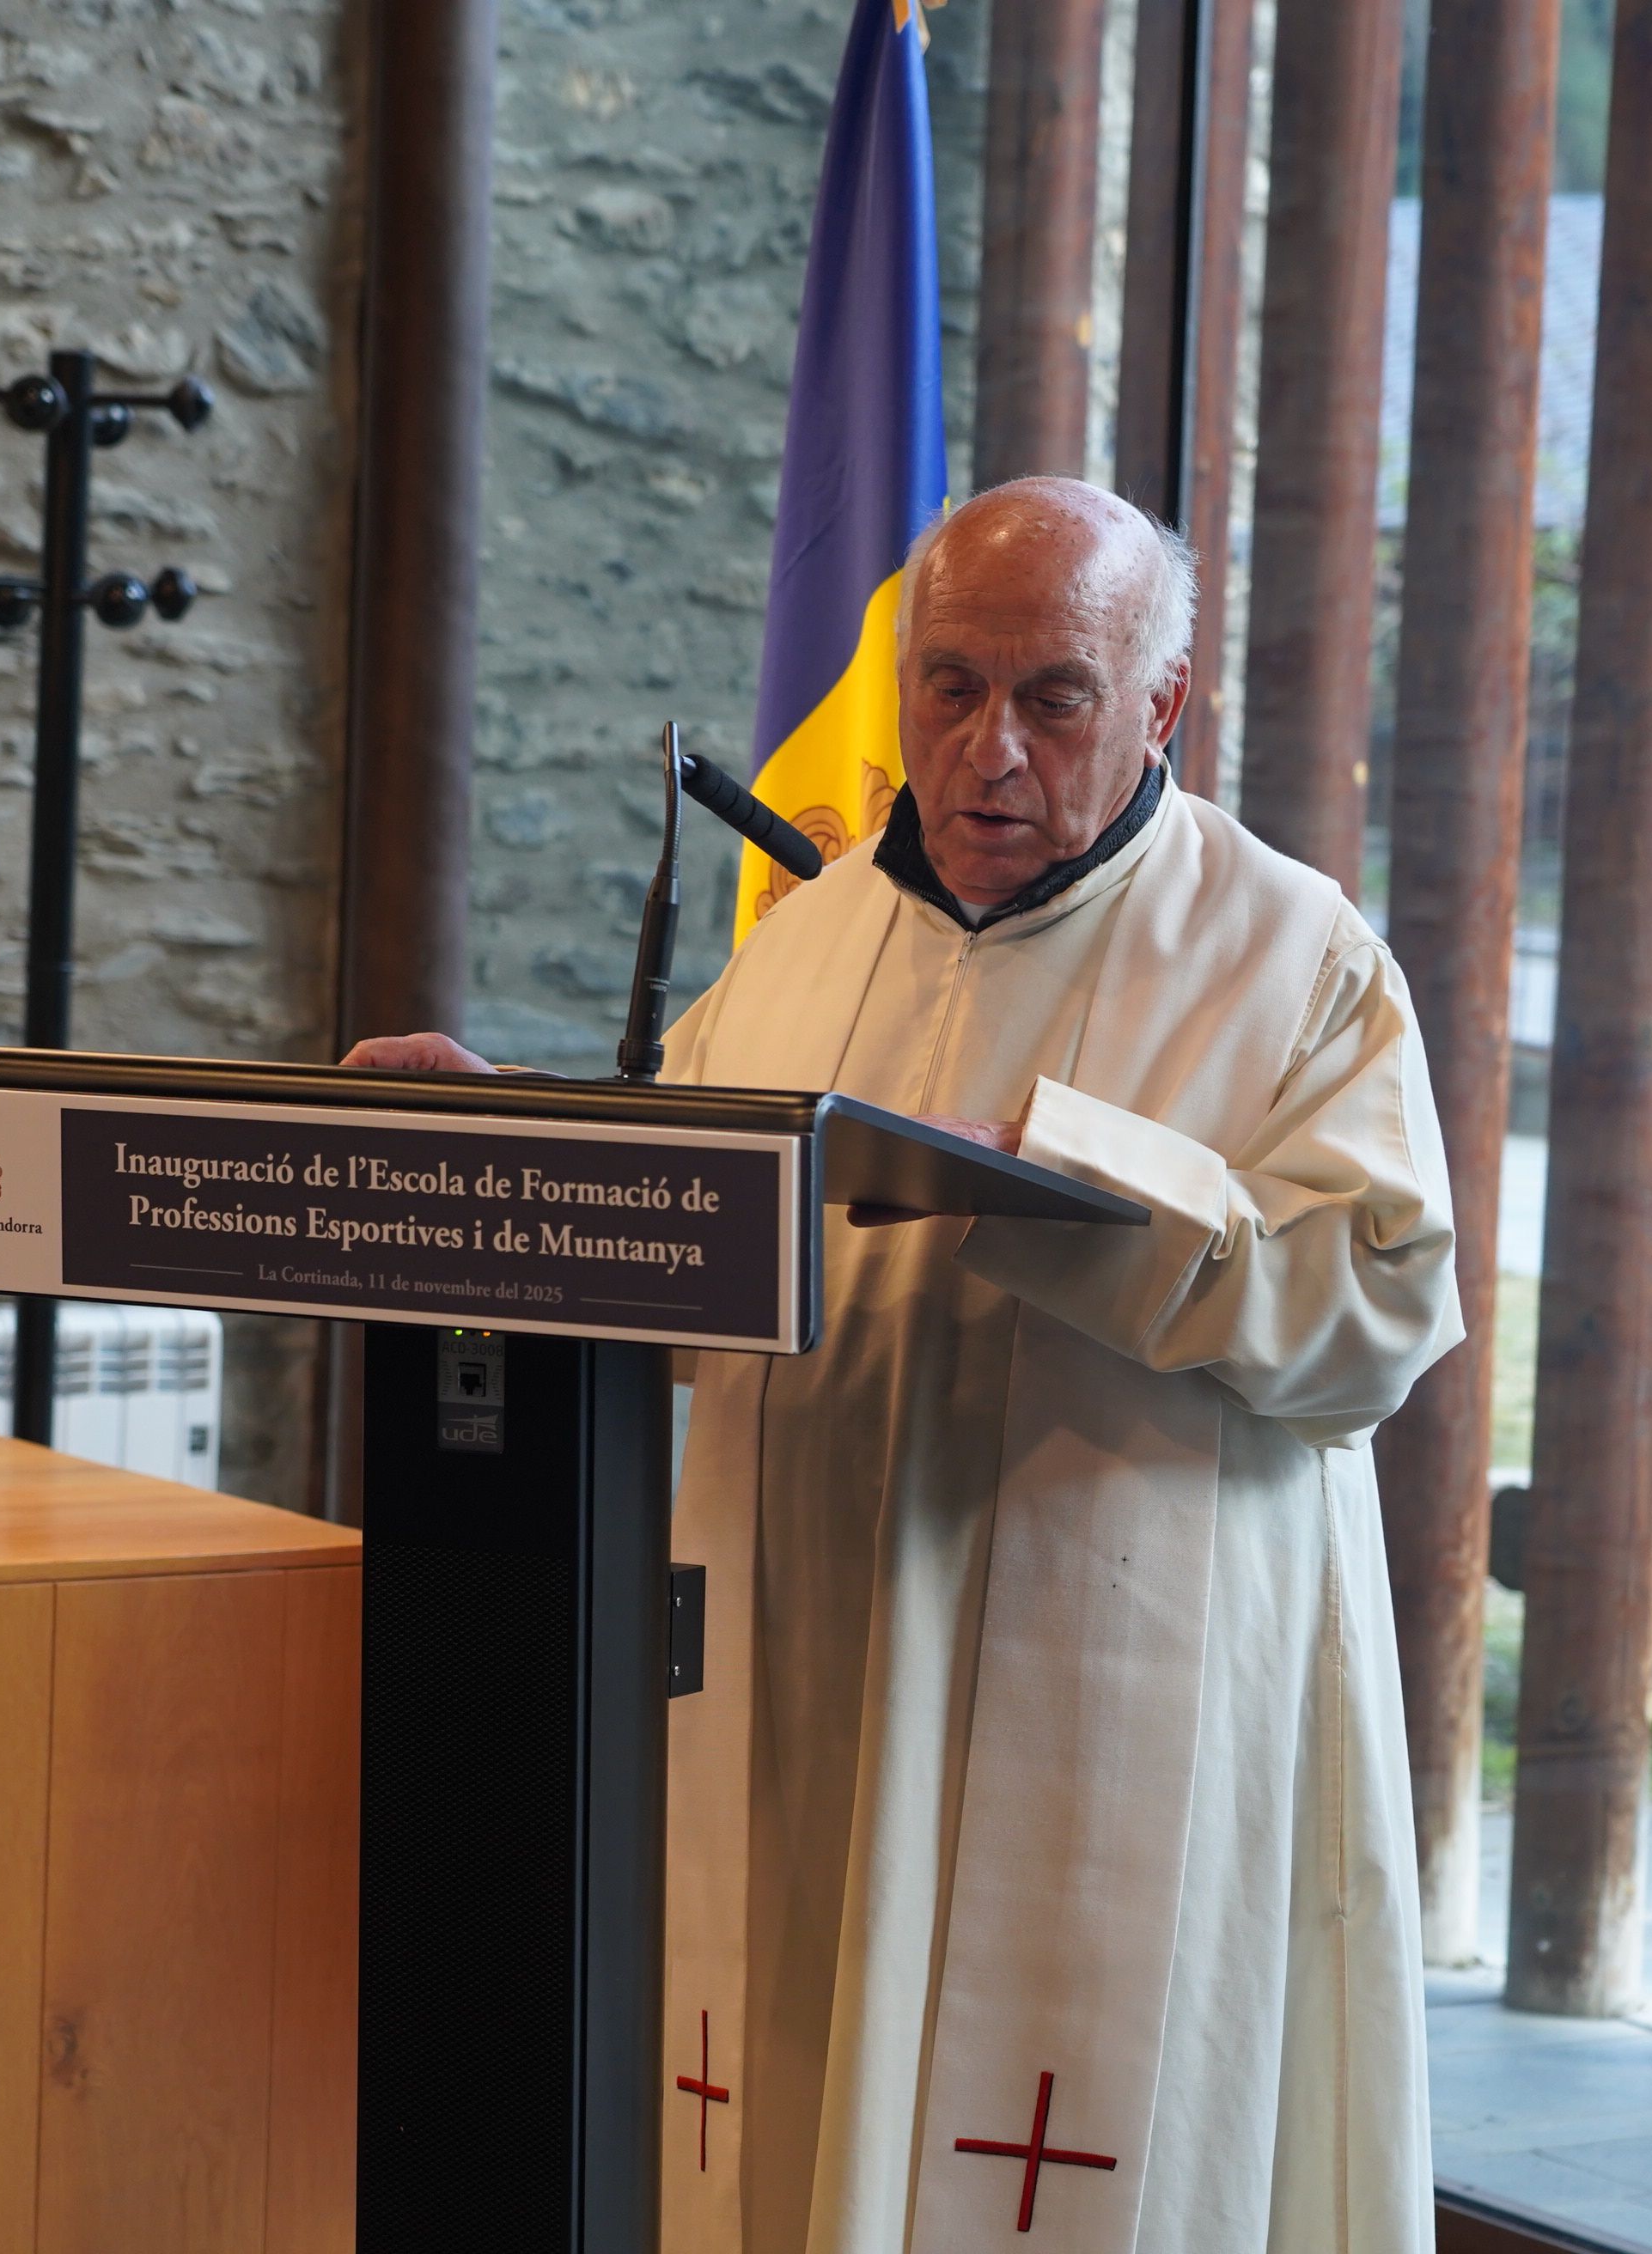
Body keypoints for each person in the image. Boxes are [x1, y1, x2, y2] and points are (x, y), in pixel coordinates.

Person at [346, 476, 1461, 2254]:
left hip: (1112, 1674)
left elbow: (1381, 1316)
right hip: (812, 1658)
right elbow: (683, 1240)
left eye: (1054, 697)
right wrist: (526, 1153)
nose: (987, 750)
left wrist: (1076, 1179)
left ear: (1160, 705)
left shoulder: (1292, 956)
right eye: (950, 687)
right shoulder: (813, 937)